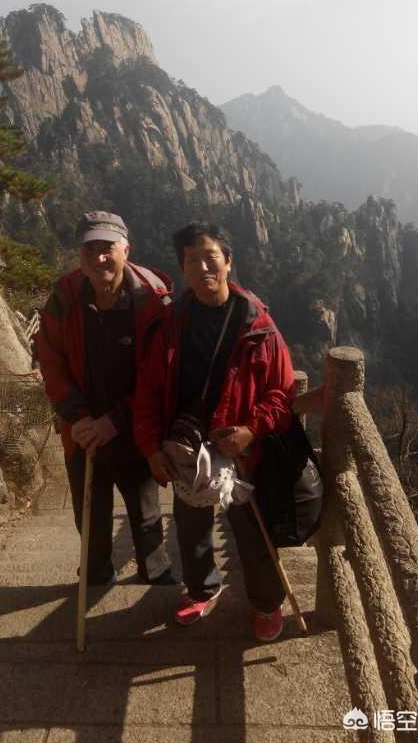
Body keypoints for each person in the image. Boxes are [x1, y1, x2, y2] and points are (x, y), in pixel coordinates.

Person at [134, 222, 296, 641]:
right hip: (187, 446)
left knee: (252, 528)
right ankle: (201, 588)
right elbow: (148, 389)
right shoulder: (173, 323)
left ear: (228, 261)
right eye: (192, 260)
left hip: (241, 448)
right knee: (190, 526)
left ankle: (267, 602)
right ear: (183, 268)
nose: (203, 266)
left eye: (210, 257)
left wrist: (251, 430)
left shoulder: (257, 324)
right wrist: (151, 447)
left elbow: (282, 391)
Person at [38, 211, 174, 586]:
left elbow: (159, 376)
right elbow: (51, 360)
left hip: (136, 428)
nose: (99, 258)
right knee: (90, 516)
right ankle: (96, 573)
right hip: (83, 431)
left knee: (146, 513)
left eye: (107, 248)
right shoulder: (65, 298)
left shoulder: (152, 302)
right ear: (80, 255)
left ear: (125, 250)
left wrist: (114, 422)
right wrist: (78, 417)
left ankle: (156, 574)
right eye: (90, 249)